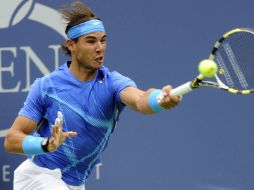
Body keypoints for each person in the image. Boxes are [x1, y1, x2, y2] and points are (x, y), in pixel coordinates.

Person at [4, 1, 180, 190]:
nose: (99, 48)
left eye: (103, 40)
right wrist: (46, 144)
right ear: (71, 45)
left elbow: (140, 99)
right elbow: (12, 139)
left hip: (75, 184)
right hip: (38, 177)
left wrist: (159, 99)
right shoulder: (46, 87)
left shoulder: (112, 82)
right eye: (91, 41)